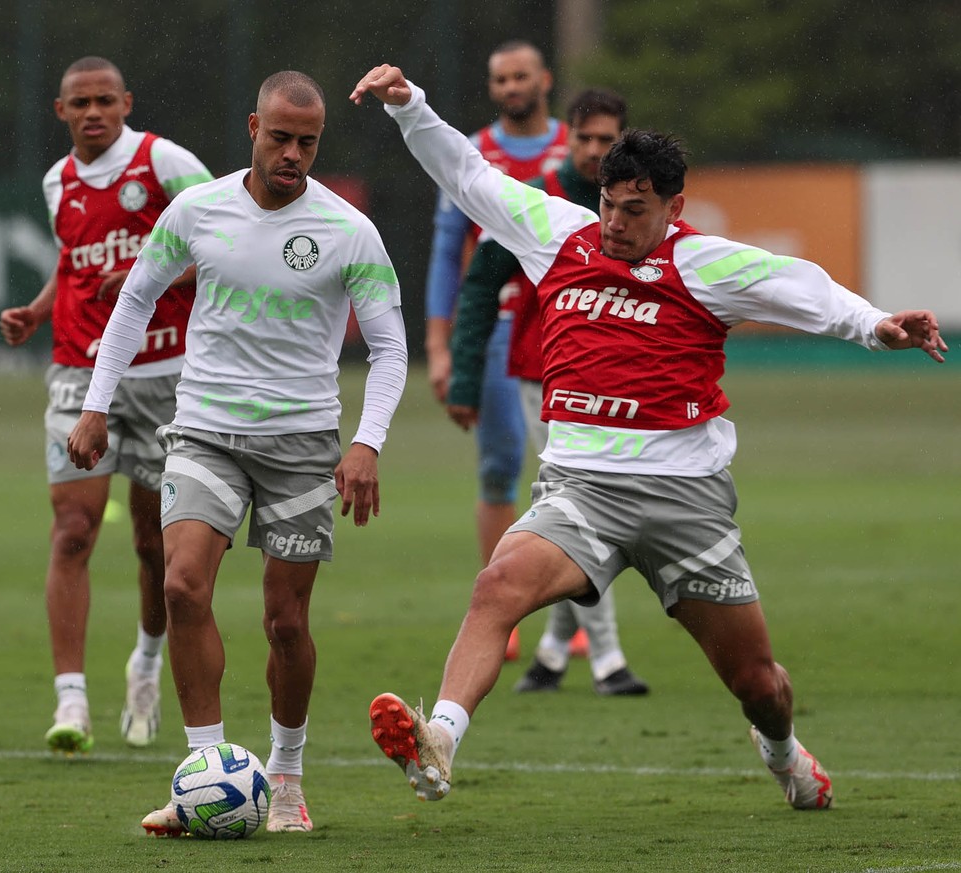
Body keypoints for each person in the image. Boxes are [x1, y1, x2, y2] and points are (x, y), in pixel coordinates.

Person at [350, 64, 948, 810]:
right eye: (608, 202)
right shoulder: (559, 236)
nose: (615, 222)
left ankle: (785, 754)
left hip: (683, 501)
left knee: (758, 682)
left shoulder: (706, 263)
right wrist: (412, 109)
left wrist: (877, 325)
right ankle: (439, 738)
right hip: (580, 492)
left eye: (635, 209)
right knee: (495, 586)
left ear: (674, 206)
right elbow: (471, 178)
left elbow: (806, 288)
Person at [67, 70, 407, 835]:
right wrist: (96, 406)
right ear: (253, 126)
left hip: (300, 442)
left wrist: (365, 442)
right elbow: (135, 301)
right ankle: (202, 779)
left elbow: (389, 348)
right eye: (281, 137)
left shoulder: (349, 230)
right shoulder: (197, 208)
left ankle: (285, 776)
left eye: (308, 143)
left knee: (286, 622)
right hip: (205, 430)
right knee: (183, 585)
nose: (293, 154)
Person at [0, 56, 213, 755]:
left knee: (154, 544)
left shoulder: (164, 162)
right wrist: (36, 310)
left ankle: (146, 665)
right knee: (73, 529)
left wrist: (153, 272)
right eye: (79, 103)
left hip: (165, 373)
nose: (93, 112)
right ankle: (72, 702)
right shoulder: (57, 180)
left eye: (104, 101)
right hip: (78, 368)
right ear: (60, 112)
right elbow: (72, 257)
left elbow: (230, 238)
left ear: (126, 103)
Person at [447, 87, 648, 696]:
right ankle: (608, 659)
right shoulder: (541, 200)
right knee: (587, 507)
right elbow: (481, 285)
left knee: (585, 509)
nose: (592, 150)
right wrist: (462, 375)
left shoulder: (642, 205)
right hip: (547, 378)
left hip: (624, 386)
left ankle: (554, 651)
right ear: (569, 141)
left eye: (604, 140)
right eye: (583, 139)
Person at [424, 40, 570, 661]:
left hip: (564, 329)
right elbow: (446, 247)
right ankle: (502, 610)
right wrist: (439, 345)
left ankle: (570, 617)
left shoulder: (578, 149)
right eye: (500, 78)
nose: (510, 87)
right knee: (499, 466)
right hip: (496, 329)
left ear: (545, 80)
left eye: (520, 76)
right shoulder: (474, 153)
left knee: (566, 470)